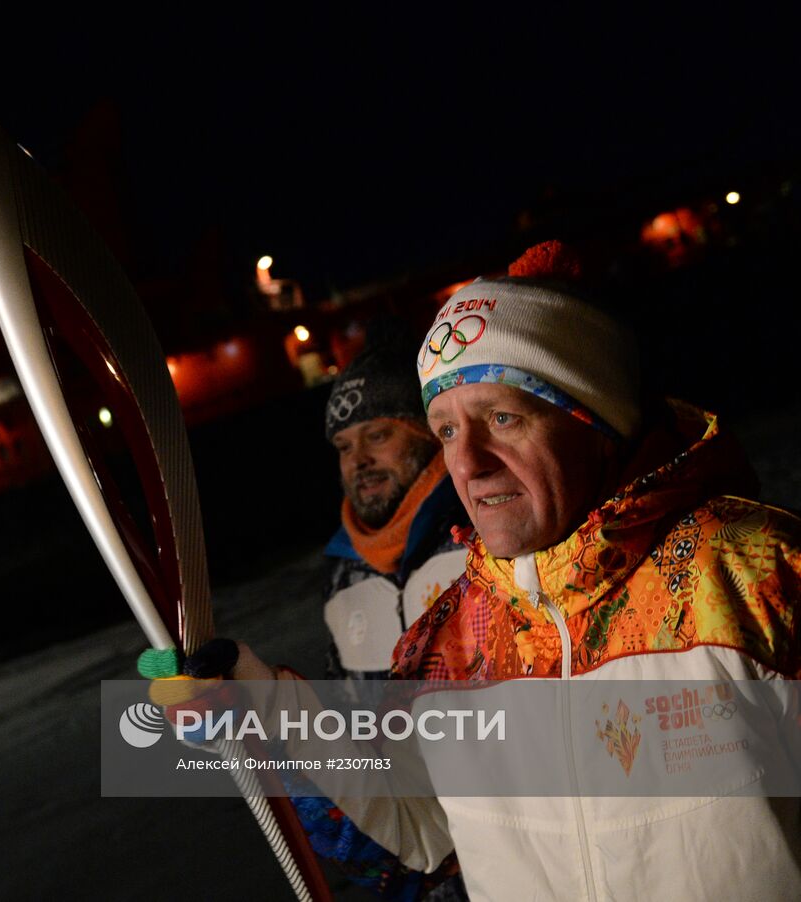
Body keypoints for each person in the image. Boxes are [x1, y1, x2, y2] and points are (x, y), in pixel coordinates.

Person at [239, 240, 801, 900]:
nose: (470, 464)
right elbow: (417, 828)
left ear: (593, 422)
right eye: (446, 430)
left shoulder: (752, 574)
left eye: (503, 418)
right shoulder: (447, 643)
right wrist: (266, 709)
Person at [320, 320, 469, 682]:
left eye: (378, 435)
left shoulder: (480, 537)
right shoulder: (343, 573)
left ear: (429, 434)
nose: (359, 461)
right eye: (344, 447)